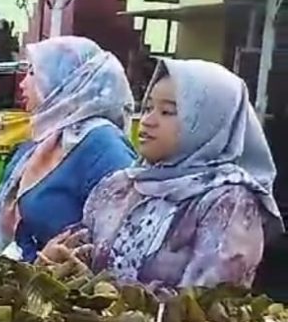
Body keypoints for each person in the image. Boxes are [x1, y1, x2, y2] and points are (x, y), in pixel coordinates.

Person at [42, 58, 282, 289]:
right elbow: (83, 250)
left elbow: (205, 302)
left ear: (209, 122)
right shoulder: (120, 185)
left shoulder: (227, 202)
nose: (147, 121)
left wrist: (105, 292)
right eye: (147, 108)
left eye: (167, 112)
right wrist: (56, 261)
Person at [0, 36, 137, 261]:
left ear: (68, 80)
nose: (22, 83)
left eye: (33, 73)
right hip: (9, 275)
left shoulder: (103, 146)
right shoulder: (40, 140)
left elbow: (119, 242)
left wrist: (49, 262)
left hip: (58, 281)